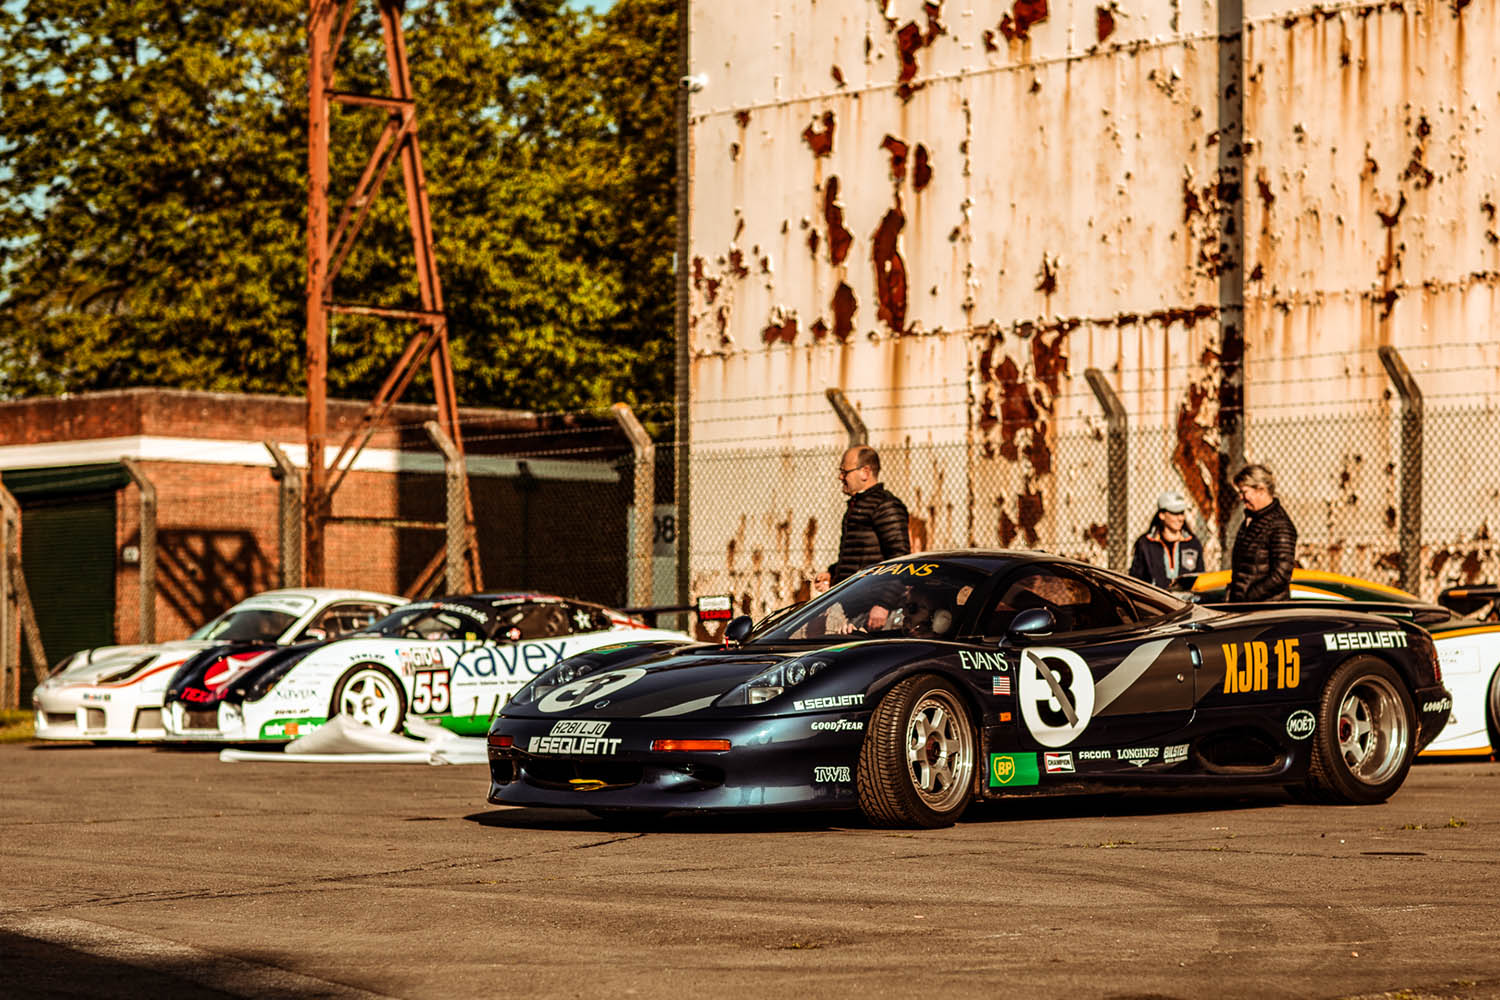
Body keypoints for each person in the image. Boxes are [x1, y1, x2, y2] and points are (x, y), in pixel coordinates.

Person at [814, 445, 910, 592]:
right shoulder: (858, 504)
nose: (840, 477)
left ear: (865, 472)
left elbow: (899, 561)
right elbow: (857, 557)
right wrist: (833, 574)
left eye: (845, 472)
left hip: (872, 599)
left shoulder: (885, 505)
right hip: (853, 596)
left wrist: (884, 605)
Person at [1227, 463, 1297, 602]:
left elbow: (1281, 575)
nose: (1241, 497)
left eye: (1244, 492)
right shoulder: (1251, 519)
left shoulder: (1280, 525)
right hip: (1246, 607)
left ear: (1261, 490)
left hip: (1266, 609)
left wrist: (1249, 597)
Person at [1128, 490, 1205, 589]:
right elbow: (1136, 579)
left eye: (1182, 513)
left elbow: (1201, 577)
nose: (1180, 518)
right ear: (1162, 515)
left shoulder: (1192, 543)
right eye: (1175, 513)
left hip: (1187, 602)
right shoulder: (1146, 544)